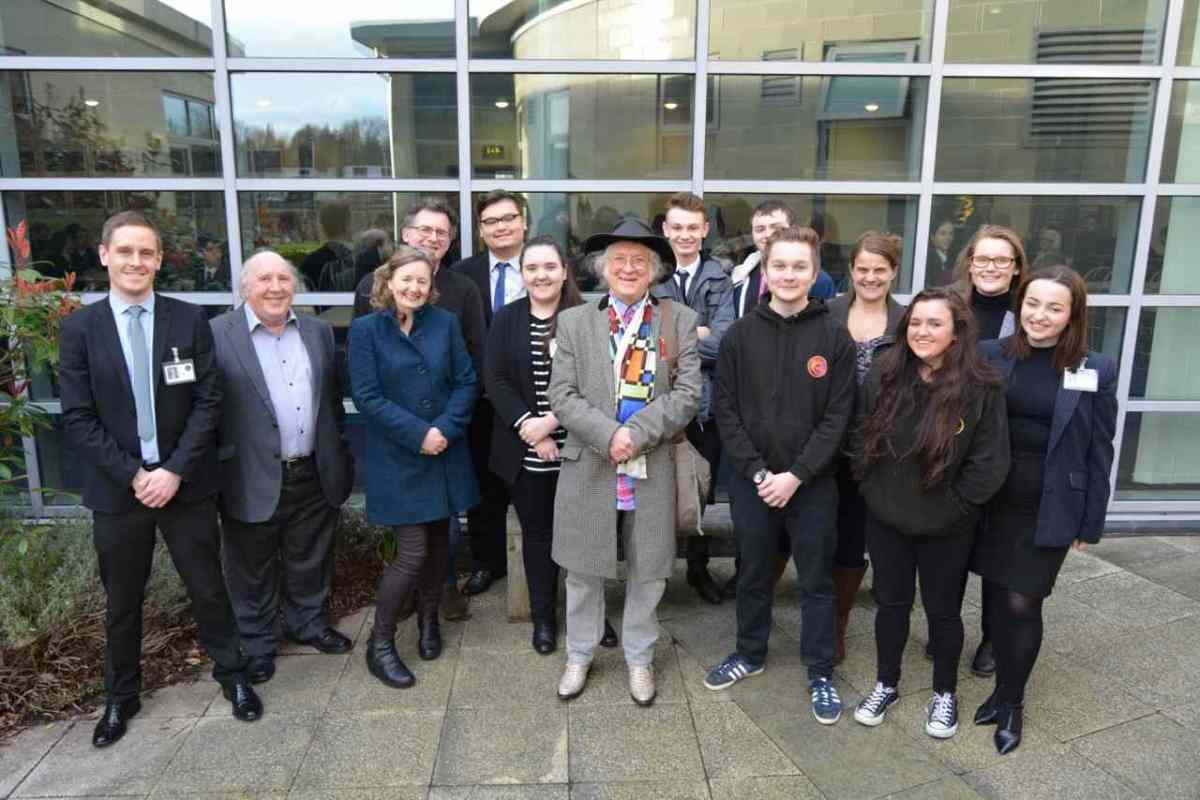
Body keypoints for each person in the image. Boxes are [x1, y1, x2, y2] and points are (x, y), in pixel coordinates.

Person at [58, 211, 262, 748]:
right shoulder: (80, 329)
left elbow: (209, 400)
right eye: (125, 251)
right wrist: (135, 475)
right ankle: (121, 696)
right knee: (122, 601)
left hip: (184, 485)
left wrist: (172, 470)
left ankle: (233, 677)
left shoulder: (188, 320)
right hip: (118, 491)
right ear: (105, 255)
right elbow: (77, 417)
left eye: (146, 252)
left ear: (159, 260)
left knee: (208, 588)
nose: (136, 261)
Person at [704, 226, 854, 725]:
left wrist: (797, 475)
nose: (789, 275)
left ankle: (820, 670)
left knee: (816, 580)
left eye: (799, 266)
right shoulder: (740, 336)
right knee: (753, 573)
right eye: (780, 266)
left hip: (813, 485)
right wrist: (758, 472)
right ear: (765, 272)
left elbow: (838, 416)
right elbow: (726, 410)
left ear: (815, 273)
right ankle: (749, 652)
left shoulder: (834, 336)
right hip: (754, 483)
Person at [549, 217, 701, 706]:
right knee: (582, 569)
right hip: (591, 462)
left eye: (639, 260)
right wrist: (609, 434)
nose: (629, 268)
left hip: (652, 465)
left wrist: (635, 433)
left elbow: (688, 393)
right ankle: (579, 654)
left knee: (649, 569)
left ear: (654, 270)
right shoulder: (574, 322)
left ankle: (639, 658)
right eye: (619, 260)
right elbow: (561, 394)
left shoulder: (677, 319)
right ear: (603, 268)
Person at [851, 288, 1009, 739]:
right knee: (891, 606)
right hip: (887, 518)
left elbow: (990, 462)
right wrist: (872, 492)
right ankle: (886, 683)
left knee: (943, 612)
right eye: (915, 323)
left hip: (948, 524)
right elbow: (859, 437)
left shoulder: (982, 387)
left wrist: (956, 508)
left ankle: (945, 692)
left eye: (935, 323)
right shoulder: (884, 373)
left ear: (956, 333)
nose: (922, 331)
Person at [972, 266, 1117, 755]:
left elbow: (1100, 448)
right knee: (996, 596)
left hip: (1051, 505)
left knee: (1022, 602)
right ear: (1020, 305)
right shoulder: (990, 354)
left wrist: (1090, 521)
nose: (1040, 315)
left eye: (1054, 308)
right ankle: (998, 691)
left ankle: (1013, 701)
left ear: (1072, 315)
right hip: (993, 501)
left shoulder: (1095, 368)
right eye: (1032, 304)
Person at [210, 250, 356, 685]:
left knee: (310, 556)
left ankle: (307, 623)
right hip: (248, 473)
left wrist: (338, 452)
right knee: (250, 568)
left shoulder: (317, 331)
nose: (275, 287)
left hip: (312, 468)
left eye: (283, 279)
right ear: (245, 288)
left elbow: (331, 402)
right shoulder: (217, 334)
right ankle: (257, 644)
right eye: (264, 279)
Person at [348, 246, 479, 688]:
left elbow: (466, 381)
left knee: (442, 544)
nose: (414, 287)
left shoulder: (445, 323)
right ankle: (380, 643)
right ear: (388, 281)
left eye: (423, 281)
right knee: (413, 552)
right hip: (399, 456)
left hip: (444, 450)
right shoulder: (366, 330)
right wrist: (419, 433)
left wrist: (444, 428)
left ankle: (428, 622)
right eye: (406, 279)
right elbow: (366, 396)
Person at [483, 235, 584, 654]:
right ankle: (544, 618)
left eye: (549, 267)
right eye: (532, 268)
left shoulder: (585, 316)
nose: (541, 275)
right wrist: (531, 427)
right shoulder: (507, 318)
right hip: (525, 450)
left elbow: (596, 382)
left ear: (564, 271)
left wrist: (551, 423)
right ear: (522, 274)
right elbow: (495, 379)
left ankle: (588, 616)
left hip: (579, 447)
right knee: (538, 535)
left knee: (582, 535)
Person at [944, 224, 1028, 675]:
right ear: (970, 263)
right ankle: (946, 630)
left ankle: (993, 638)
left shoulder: (1028, 311)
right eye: (983, 259)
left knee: (999, 552)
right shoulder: (950, 306)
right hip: (951, 446)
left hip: (1006, 445)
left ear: (1016, 268)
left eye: (1002, 260)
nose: (991, 267)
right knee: (949, 550)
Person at [826, 231, 907, 663]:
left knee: (857, 538)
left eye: (880, 270)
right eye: (863, 269)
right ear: (851, 270)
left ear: (894, 272)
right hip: (828, 448)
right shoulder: (828, 313)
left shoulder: (908, 322)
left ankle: (839, 623)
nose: (870, 277)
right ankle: (825, 620)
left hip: (880, 452)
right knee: (824, 533)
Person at [652, 191, 731, 605]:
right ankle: (655, 570)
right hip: (660, 405)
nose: (685, 235)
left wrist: (677, 338)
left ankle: (698, 570)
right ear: (666, 230)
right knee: (658, 491)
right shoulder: (653, 278)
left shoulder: (720, 279)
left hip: (705, 407)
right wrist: (696, 332)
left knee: (703, 489)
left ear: (705, 231)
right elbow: (650, 345)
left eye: (692, 228)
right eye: (677, 227)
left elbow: (724, 344)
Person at [450, 190, 528, 597]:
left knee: (535, 485)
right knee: (484, 485)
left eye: (509, 218)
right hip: (480, 400)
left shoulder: (544, 264)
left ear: (523, 222)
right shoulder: (463, 274)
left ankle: (541, 562)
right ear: (480, 230)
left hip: (535, 397)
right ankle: (487, 563)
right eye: (491, 221)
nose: (501, 227)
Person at [928, 219, 957, 287]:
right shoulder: (929, 259)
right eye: (943, 233)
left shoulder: (953, 259)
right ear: (932, 237)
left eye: (951, 233)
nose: (948, 238)